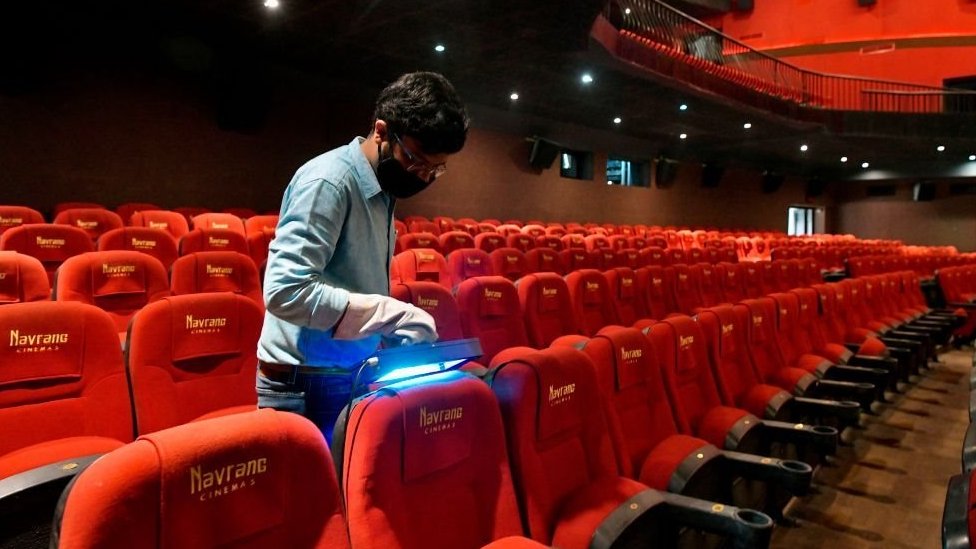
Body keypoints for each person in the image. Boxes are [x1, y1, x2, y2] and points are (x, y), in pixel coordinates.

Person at [256, 72, 469, 443]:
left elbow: (352, 285)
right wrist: (388, 313)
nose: (423, 177)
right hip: (305, 383)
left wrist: (387, 331)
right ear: (382, 131)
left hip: (349, 371)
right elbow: (285, 291)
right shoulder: (329, 182)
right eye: (416, 161)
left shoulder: (384, 187)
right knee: (327, 483)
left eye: (435, 170)